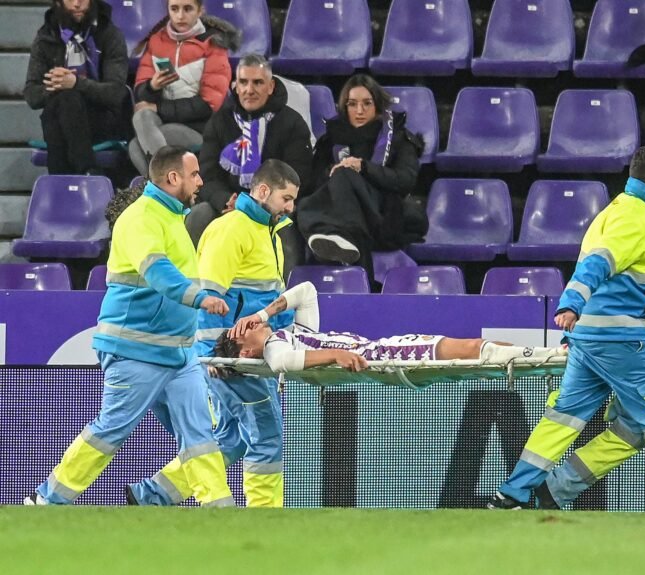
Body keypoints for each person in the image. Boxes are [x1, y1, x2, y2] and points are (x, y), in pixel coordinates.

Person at [488, 146, 645, 512]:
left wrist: (576, 322)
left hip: (591, 338)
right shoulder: (638, 217)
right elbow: (599, 262)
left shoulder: (614, 211)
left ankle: (512, 494)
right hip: (625, 337)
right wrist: (570, 303)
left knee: (563, 418)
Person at [25, 145, 234, 507]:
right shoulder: (140, 218)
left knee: (199, 433)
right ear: (173, 178)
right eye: (195, 174)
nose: (201, 181)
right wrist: (201, 298)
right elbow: (159, 275)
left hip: (177, 351)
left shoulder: (172, 217)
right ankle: (47, 501)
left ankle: (220, 510)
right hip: (136, 349)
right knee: (111, 429)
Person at [126, 159, 299, 508]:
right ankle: (267, 518)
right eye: (286, 198)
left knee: (232, 438)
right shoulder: (231, 230)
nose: (291, 207)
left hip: (249, 354)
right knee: (266, 435)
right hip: (235, 357)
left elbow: (261, 298)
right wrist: (215, 357)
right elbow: (209, 299)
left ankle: (154, 494)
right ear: (263, 191)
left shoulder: (267, 231)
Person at [217, 281, 566, 373]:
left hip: (383, 346)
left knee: (474, 346)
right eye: (238, 331)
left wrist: (262, 314)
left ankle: (553, 355)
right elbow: (280, 364)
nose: (241, 324)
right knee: (473, 348)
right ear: (246, 351)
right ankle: (555, 355)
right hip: (383, 355)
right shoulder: (275, 347)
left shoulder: (291, 334)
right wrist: (337, 354)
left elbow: (306, 292)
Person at [298, 74, 426, 282]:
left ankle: (341, 238)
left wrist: (364, 167)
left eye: (367, 103)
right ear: (344, 106)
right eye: (352, 104)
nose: (359, 111)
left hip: (384, 214)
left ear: (377, 105)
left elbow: (405, 180)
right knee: (304, 202)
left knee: (344, 175)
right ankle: (346, 246)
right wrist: (332, 171)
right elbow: (314, 183)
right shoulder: (331, 139)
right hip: (347, 213)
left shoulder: (398, 137)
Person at [193, 54, 312, 273]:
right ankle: (191, 292)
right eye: (244, 82)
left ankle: (280, 297)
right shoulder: (220, 121)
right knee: (199, 215)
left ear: (271, 86)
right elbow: (207, 175)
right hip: (229, 204)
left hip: (272, 206)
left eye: (257, 82)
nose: (250, 89)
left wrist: (258, 204)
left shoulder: (292, 123)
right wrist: (226, 200)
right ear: (235, 86)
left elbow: (298, 176)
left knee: (284, 226)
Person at [128, 0, 239, 176]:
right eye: (174, 9)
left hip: (201, 128)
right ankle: (171, 189)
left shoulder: (214, 44)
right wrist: (152, 86)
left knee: (136, 146)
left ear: (200, 11)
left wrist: (158, 108)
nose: (180, 16)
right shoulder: (157, 40)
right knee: (142, 117)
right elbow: (140, 92)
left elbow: (208, 106)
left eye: (187, 9)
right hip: (161, 121)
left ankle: (165, 186)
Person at [24, 0, 128, 175]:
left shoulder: (110, 34)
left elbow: (116, 93)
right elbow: (32, 95)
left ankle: (61, 182)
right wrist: (54, 86)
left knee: (64, 103)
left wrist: (76, 83)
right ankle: (87, 170)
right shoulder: (45, 38)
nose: (77, 4)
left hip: (102, 119)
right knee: (63, 101)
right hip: (61, 116)